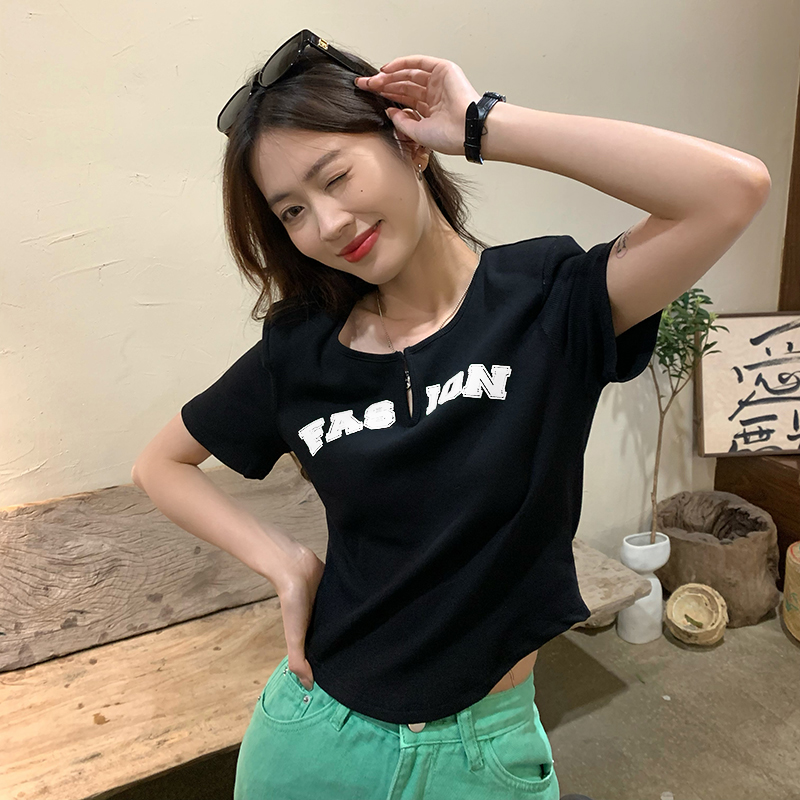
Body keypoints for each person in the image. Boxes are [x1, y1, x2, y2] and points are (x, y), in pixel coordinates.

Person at [131, 28, 769, 800]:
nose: (327, 224)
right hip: (311, 734)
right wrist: (285, 562)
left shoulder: (547, 298)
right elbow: (160, 465)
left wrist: (481, 123)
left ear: (408, 145)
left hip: (482, 756)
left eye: (336, 177)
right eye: (292, 210)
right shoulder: (300, 348)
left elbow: (731, 189)